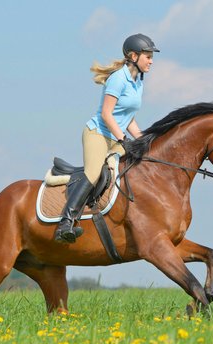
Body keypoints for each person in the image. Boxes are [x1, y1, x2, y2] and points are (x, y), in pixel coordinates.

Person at [55, 33, 160, 243]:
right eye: (147, 56)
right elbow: (106, 113)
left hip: (116, 137)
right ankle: (66, 221)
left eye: (151, 56)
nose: (151, 61)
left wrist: (142, 139)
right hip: (98, 134)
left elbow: (128, 117)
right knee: (94, 173)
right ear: (133, 56)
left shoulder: (138, 81)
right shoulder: (118, 79)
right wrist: (122, 139)